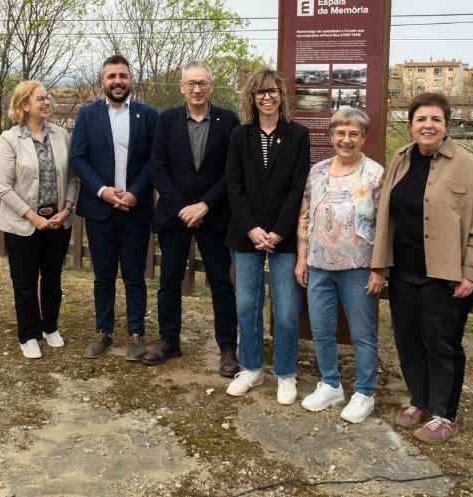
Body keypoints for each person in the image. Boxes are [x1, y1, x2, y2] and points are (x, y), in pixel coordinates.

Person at [372, 92, 473, 444]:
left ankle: (445, 413)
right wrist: (380, 265)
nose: (428, 125)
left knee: (440, 343)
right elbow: (385, 216)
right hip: (405, 269)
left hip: (446, 275)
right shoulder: (400, 158)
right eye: (421, 119)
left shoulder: (465, 164)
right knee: (408, 339)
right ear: (410, 125)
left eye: (435, 120)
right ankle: (420, 402)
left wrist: (470, 272)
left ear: (446, 126)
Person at [144, 61, 240, 377]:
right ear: (182, 87)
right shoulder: (167, 120)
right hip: (175, 217)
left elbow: (232, 172)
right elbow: (158, 167)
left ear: (211, 86)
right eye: (191, 84)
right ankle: (169, 341)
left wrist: (204, 206)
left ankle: (227, 348)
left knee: (221, 283)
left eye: (202, 83)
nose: (197, 89)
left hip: (214, 218)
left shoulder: (229, 121)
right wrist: (183, 207)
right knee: (169, 281)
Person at [224, 68, 310, 405]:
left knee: (287, 309)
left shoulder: (298, 135)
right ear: (252, 98)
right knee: (247, 304)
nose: (267, 97)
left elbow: (298, 187)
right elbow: (234, 185)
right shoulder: (239, 135)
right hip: (246, 235)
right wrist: (252, 228)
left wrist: (278, 230)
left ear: (282, 95)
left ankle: (285, 373)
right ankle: (251, 367)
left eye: (272, 91)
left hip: (284, 237)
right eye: (260, 92)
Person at [294, 108, 385, 423]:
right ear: (331, 136)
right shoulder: (317, 171)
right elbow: (305, 212)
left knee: (362, 333)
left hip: (359, 268)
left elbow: (386, 225)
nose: (346, 140)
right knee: (321, 329)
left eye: (354, 134)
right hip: (319, 265)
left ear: (363, 138)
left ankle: (365, 392)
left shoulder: (375, 174)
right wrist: (303, 256)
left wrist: (380, 268)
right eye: (341, 133)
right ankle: (331, 383)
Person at [70, 55, 158, 361]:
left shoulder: (148, 115)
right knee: (103, 275)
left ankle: (136, 334)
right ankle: (103, 332)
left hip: (135, 208)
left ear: (130, 80)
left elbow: (153, 160)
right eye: (111, 76)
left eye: (123, 75)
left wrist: (134, 193)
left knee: (134, 275)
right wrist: (103, 191)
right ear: (102, 81)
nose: (117, 81)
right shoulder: (87, 115)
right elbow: (78, 157)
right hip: (100, 209)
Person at [0, 81, 78, 359]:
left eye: (48, 97)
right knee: (25, 281)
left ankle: (50, 326)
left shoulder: (61, 135)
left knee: (53, 278)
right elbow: (3, 187)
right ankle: (28, 333)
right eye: (40, 98)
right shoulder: (10, 139)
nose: (46, 102)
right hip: (22, 224)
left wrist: (66, 209)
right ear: (24, 105)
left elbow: (71, 177)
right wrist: (33, 217)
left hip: (58, 221)